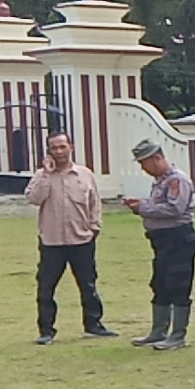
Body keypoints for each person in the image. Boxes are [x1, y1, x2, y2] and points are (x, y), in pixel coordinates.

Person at [25, 132, 115, 345]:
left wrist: (95, 227)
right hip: (52, 241)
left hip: (81, 240)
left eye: (62, 147)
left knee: (88, 284)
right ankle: (46, 330)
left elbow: (95, 203)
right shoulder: (41, 175)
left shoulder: (84, 174)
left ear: (71, 147)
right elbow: (34, 199)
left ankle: (94, 324)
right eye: (54, 148)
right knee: (46, 287)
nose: (58, 152)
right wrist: (46, 175)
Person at [122, 139, 195, 350]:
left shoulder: (177, 180)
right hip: (163, 241)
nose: (142, 168)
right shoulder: (161, 181)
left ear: (157, 158)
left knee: (178, 284)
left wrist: (143, 207)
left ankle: (178, 335)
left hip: (178, 239)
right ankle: (159, 331)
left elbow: (175, 209)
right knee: (161, 283)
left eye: (144, 162)